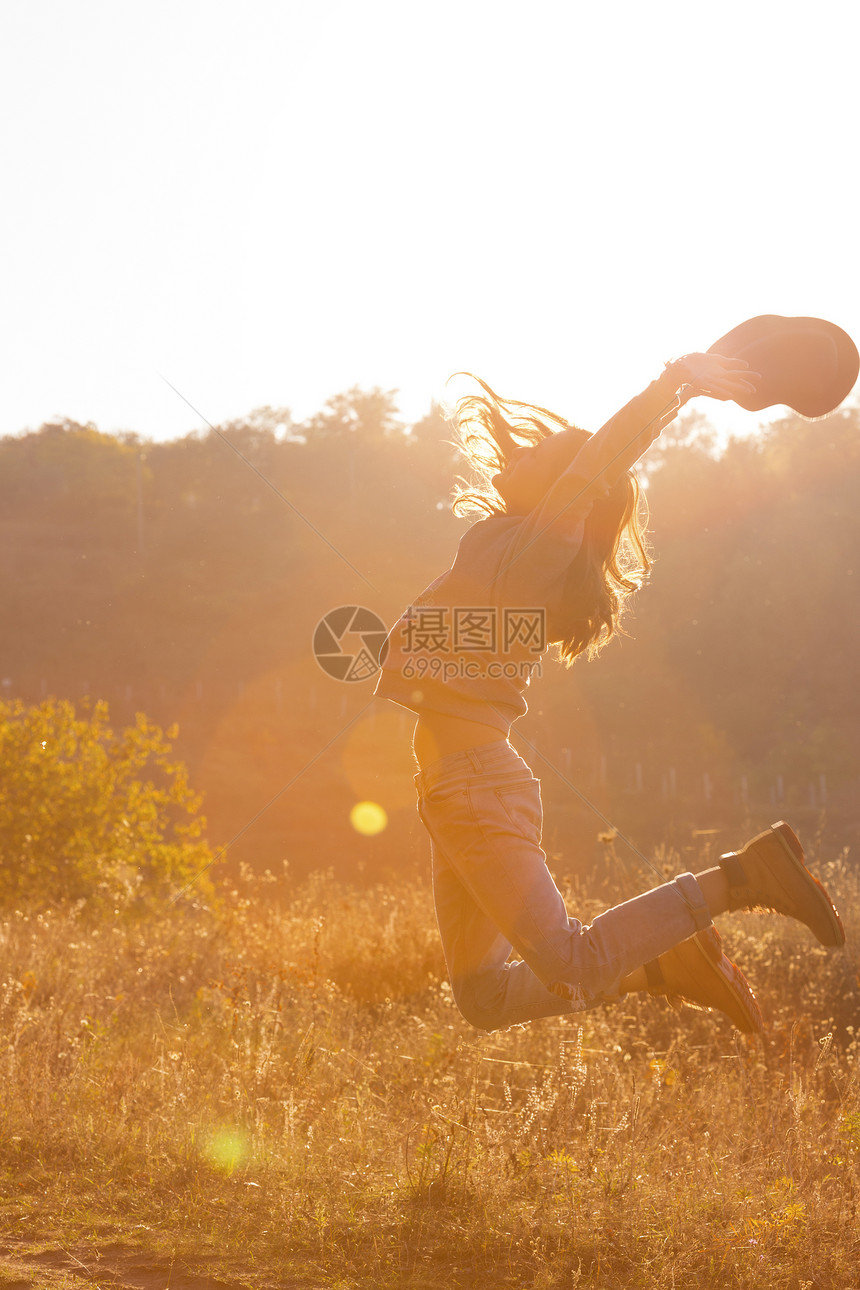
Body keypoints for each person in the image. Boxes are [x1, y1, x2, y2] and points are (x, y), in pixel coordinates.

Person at [374, 355, 845, 1035]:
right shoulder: (498, 551)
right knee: (484, 998)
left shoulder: (535, 553)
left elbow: (597, 466)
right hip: (453, 790)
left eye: (547, 455)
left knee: (573, 964)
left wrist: (673, 387)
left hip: (474, 783)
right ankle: (661, 967)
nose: (525, 449)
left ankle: (742, 878)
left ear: (567, 491)